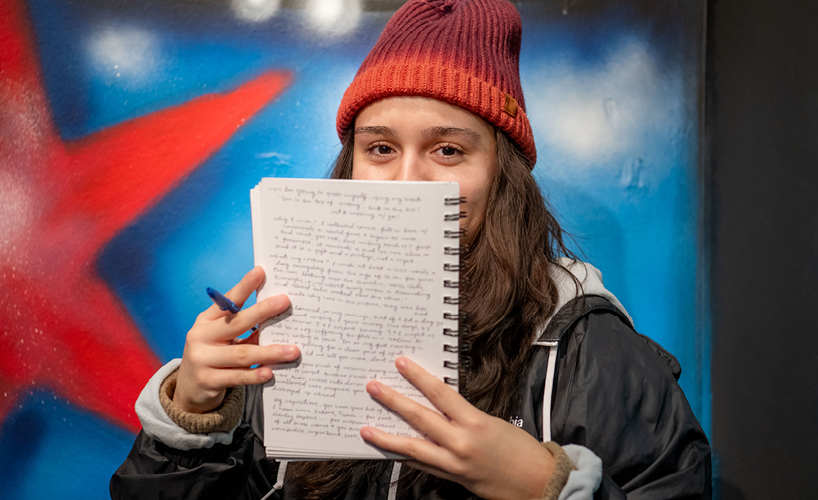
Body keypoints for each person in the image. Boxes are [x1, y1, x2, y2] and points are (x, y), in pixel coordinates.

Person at [111, 0, 712, 499]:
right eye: (380, 149)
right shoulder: (288, 340)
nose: (408, 182)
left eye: (449, 150)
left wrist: (545, 486)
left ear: (502, 176)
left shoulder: (586, 350)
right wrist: (192, 418)